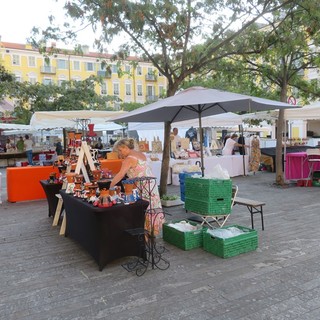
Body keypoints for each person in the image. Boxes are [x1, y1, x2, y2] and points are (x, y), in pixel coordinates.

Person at [110, 138, 164, 235]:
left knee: (144, 209)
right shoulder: (141, 154)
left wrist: (111, 185)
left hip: (142, 187)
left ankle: (145, 236)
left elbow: (121, 174)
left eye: (120, 150)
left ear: (125, 147)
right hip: (151, 184)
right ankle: (152, 233)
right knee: (152, 207)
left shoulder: (129, 159)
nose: (120, 153)